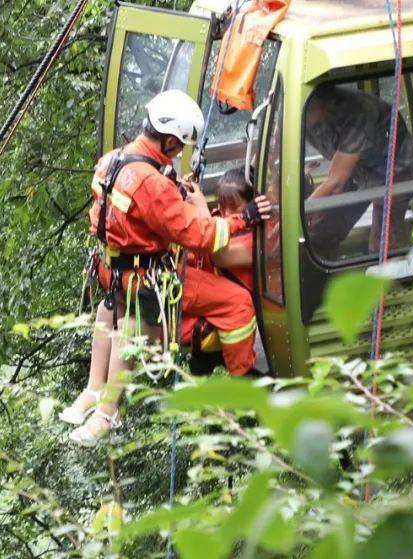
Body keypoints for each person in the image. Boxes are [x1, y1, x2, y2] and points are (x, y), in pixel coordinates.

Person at [62, 90, 271, 445]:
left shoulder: (114, 160)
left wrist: (174, 188)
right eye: (179, 147)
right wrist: (244, 219)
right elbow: (202, 236)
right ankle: (242, 377)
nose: (178, 154)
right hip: (147, 278)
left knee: (108, 313)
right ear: (171, 139)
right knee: (237, 303)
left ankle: (94, 391)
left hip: (113, 270)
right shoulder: (152, 183)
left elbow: (137, 208)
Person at [303, 83, 413, 259]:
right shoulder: (306, 116)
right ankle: (325, 279)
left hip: (397, 171)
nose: (299, 116)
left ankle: (398, 279)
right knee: (319, 231)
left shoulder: (358, 113)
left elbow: (336, 182)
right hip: (359, 171)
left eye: (306, 110)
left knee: (383, 244)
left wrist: (301, 210)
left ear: (325, 105)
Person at [179, 169, 262, 374]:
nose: (226, 214)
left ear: (252, 205)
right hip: (208, 317)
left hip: (229, 321)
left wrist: (200, 206)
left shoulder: (258, 241)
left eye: (233, 208)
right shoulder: (224, 221)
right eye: (221, 207)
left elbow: (219, 254)